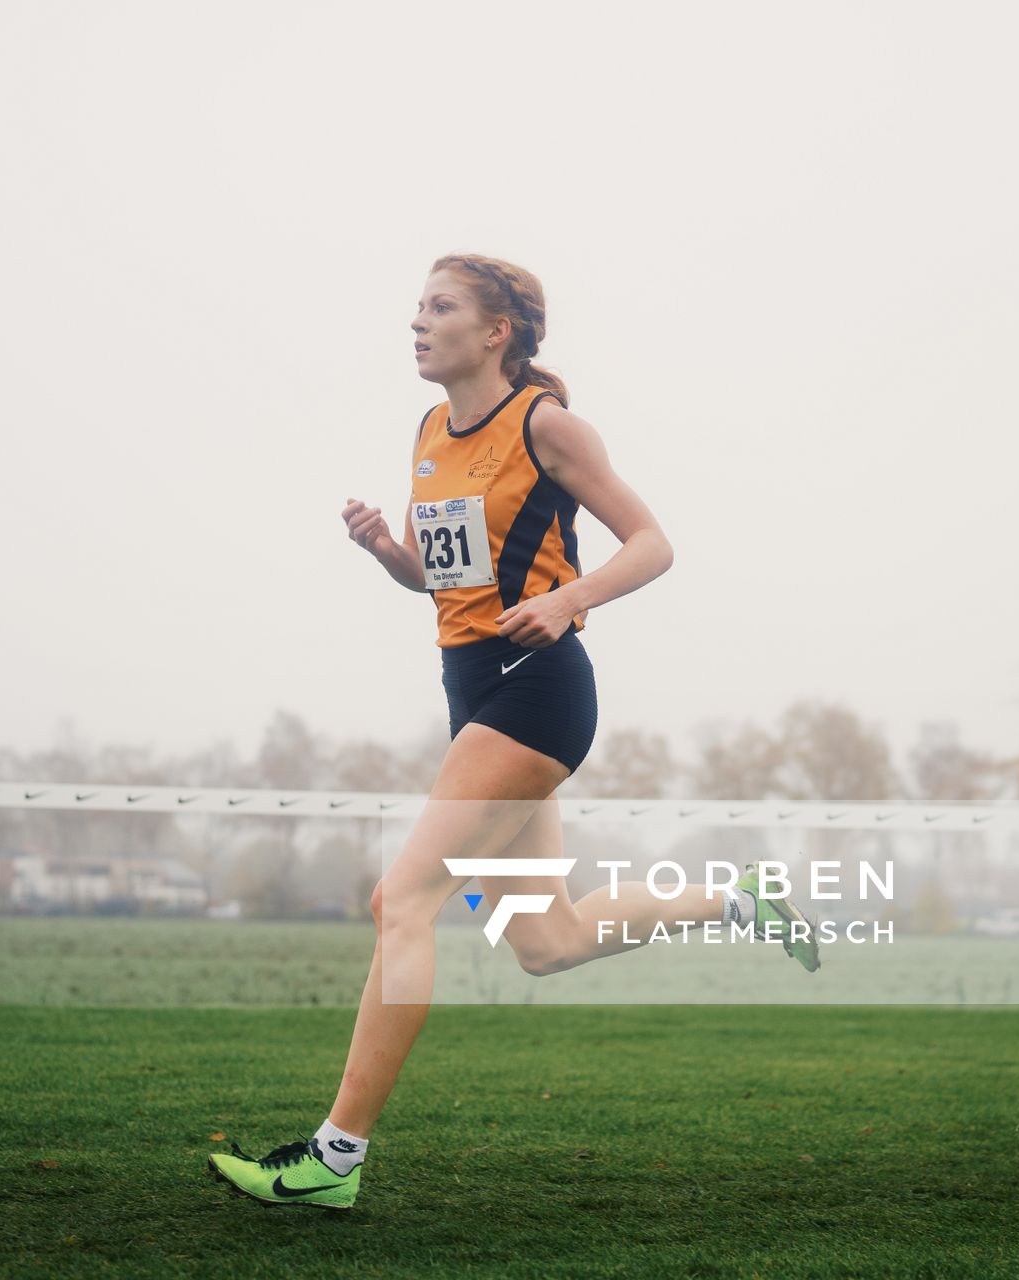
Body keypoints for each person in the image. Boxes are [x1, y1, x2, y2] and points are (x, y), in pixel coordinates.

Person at [207, 253, 819, 1211]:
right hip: (474, 692)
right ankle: (737, 898)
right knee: (548, 941)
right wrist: (387, 554)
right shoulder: (427, 431)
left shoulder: (546, 425)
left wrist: (571, 601)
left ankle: (334, 1159)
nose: (417, 321)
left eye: (439, 307)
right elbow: (439, 578)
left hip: (537, 692)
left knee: (399, 900)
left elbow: (653, 542)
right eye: (416, 305)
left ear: (496, 332)